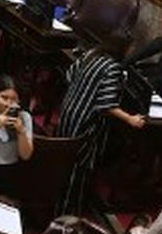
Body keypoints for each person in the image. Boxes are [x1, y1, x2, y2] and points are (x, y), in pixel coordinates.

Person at [58, 41, 146, 215]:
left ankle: (56, 198)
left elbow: (69, 75)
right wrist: (130, 119)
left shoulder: (91, 54)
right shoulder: (113, 68)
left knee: (61, 154)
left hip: (69, 111)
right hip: (84, 121)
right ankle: (67, 210)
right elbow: (106, 104)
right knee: (78, 164)